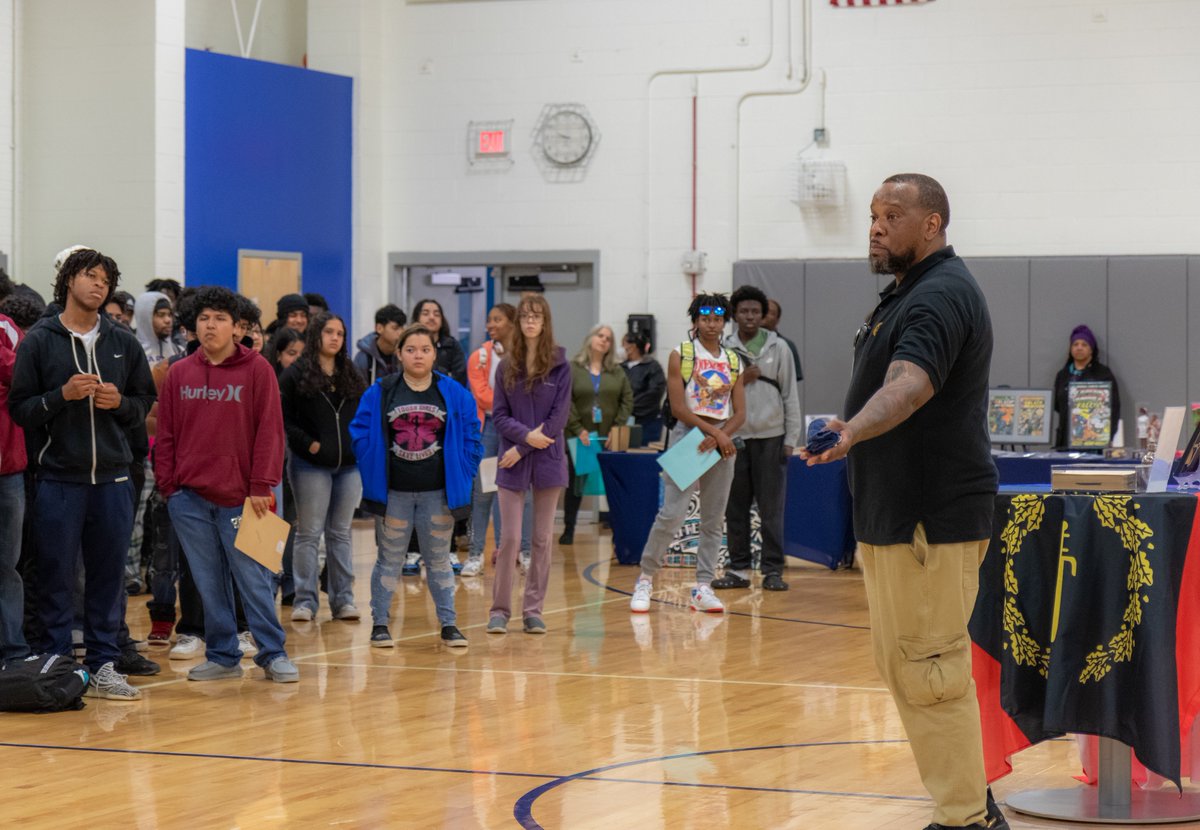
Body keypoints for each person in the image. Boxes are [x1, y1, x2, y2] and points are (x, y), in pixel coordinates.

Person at [802, 174, 1006, 830]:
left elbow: (912, 383)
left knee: (929, 670)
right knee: (906, 665)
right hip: (897, 519)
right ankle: (971, 799)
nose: (875, 227)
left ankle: (965, 819)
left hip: (930, 518)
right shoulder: (905, 293)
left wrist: (854, 428)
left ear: (933, 225)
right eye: (872, 215)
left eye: (892, 215)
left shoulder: (939, 295)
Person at [9, 248, 156, 700]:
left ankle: (104, 665)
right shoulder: (40, 340)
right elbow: (21, 409)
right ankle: (58, 670)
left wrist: (122, 405)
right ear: (68, 280)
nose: (99, 286)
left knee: (109, 579)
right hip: (59, 479)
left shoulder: (123, 341)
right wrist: (62, 396)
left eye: (106, 280)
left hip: (112, 479)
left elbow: (143, 403)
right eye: (90, 276)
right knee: (55, 576)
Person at [155, 285, 299, 684]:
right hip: (189, 498)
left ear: (237, 328)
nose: (210, 325)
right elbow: (166, 434)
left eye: (220, 319)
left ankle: (272, 653)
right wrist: (170, 487)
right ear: (193, 326)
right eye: (203, 319)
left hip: (245, 499)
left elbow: (271, 432)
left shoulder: (258, 370)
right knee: (206, 583)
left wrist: (260, 485)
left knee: (254, 580)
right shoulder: (179, 373)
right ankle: (222, 655)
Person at [350, 324, 482, 648]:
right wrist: (372, 469)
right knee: (389, 559)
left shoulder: (454, 393)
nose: (418, 355)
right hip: (393, 494)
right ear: (399, 354)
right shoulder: (381, 391)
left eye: (425, 349)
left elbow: (472, 436)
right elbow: (360, 433)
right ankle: (379, 623)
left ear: (435, 354)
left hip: (438, 494)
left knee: (439, 559)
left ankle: (449, 624)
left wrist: (464, 470)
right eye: (411, 349)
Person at [629, 295, 746, 616]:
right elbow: (679, 407)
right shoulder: (681, 354)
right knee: (671, 514)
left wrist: (723, 434)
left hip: (722, 443)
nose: (712, 324)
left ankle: (704, 586)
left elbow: (741, 413)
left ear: (725, 322)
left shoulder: (734, 360)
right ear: (695, 320)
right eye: (705, 318)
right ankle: (645, 578)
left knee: (713, 519)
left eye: (718, 318)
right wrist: (715, 433)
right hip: (689, 439)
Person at [486, 294, 572, 635]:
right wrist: (524, 441)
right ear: (519, 322)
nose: (531, 321)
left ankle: (533, 610)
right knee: (508, 539)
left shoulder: (561, 365)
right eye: (525, 316)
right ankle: (499, 611)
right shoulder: (506, 366)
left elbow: (558, 417)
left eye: (537, 316)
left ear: (545, 321)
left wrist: (522, 448)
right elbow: (500, 416)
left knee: (540, 539)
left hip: (545, 458)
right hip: (511, 461)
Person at [714, 285, 801, 592]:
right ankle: (737, 570)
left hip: (771, 437)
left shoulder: (780, 348)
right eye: (743, 311)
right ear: (734, 315)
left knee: (771, 509)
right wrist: (740, 379)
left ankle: (773, 571)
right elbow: (712, 394)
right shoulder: (722, 347)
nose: (749, 316)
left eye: (755, 311)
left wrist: (791, 437)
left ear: (763, 315)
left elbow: (791, 395)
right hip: (733, 439)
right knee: (734, 507)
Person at [280, 311, 366, 622]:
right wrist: (309, 443)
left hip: (349, 466)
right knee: (309, 533)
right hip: (310, 465)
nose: (334, 338)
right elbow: (284, 419)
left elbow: (364, 417)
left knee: (340, 534)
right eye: (329, 332)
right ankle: (305, 601)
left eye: (339, 333)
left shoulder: (352, 374)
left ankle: (343, 600)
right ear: (317, 335)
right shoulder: (296, 374)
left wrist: (358, 444)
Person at [465, 303, 533, 576]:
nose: (491, 324)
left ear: (512, 322)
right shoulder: (479, 357)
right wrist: (510, 404)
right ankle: (474, 555)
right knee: (483, 493)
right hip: (491, 427)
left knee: (523, 492)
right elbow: (481, 395)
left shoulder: (527, 354)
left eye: (497, 319)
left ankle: (525, 552)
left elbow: (532, 392)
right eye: (489, 320)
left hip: (520, 428)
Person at [560, 324, 633, 545]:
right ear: (590, 338)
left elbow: (627, 400)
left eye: (609, 339)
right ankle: (569, 529)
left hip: (609, 437)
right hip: (580, 437)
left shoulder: (617, 370)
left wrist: (617, 427)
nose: (604, 341)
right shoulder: (573, 368)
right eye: (600, 336)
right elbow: (565, 400)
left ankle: (617, 528)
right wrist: (577, 428)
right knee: (576, 484)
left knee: (612, 483)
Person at [0, 311, 30, 666]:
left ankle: (14, 650)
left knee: (7, 565)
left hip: (9, 469)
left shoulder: (7, 327)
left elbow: (21, 379)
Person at [1052, 324, 1120, 450]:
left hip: (1094, 441)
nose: (1079, 348)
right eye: (1075, 344)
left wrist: (1109, 436)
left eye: (1084, 344)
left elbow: (1114, 407)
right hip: (1065, 441)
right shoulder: (1062, 375)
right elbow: (1057, 405)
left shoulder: (1103, 374)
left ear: (1091, 349)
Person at [621, 330, 667, 446]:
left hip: (648, 420)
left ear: (633, 346)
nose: (622, 347)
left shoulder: (652, 367)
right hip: (622, 420)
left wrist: (630, 406)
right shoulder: (620, 368)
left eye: (624, 344)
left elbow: (654, 392)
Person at [412, 298, 467, 386]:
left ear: (442, 321)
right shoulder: (408, 345)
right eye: (425, 313)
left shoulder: (452, 346)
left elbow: (459, 379)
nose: (432, 317)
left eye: (437, 314)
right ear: (417, 318)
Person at [354, 303, 406, 384]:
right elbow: (359, 393)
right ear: (379, 328)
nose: (401, 333)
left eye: (402, 328)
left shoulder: (405, 355)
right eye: (395, 328)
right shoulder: (364, 358)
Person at [134, 291, 181, 365]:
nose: (168, 320)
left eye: (169, 315)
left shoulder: (179, 351)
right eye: (161, 315)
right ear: (146, 318)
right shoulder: (131, 353)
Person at [762, 299, 803, 384]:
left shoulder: (787, 346)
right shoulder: (741, 343)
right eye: (763, 310)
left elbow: (791, 383)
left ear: (777, 320)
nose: (765, 315)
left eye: (771, 313)